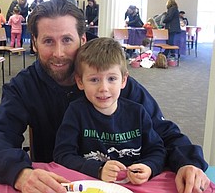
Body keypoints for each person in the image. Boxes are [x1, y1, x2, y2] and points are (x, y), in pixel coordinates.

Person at [0, 0, 210, 193]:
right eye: (48, 41)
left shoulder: (115, 83)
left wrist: (187, 163)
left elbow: (162, 131)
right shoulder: (25, 86)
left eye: (67, 40)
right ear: (33, 43)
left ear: (82, 39)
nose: (59, 53)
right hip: (58, 186)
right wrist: (20, 173)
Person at [54, 37, 166, 184]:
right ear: (80, 82)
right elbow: (63, 155)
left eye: (112, 79)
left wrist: (149, 167)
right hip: (92, 185)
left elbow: (157, 150)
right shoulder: (76, 112)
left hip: (133, 186)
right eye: (94, 80)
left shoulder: (137, 113)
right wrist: (98, 169)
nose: (103, 88)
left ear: (123, 80)